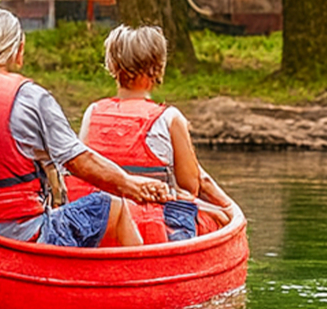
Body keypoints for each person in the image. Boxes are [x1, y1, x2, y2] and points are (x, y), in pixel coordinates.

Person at [0, 8, 179, 247]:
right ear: (19, 52)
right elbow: (80, 162)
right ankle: (135, 288)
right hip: (22, 239)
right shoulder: (32, 98)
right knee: (113, 206)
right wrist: (131, 186)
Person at [68, 25, 237, 242]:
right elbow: (192, 186)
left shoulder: (93, 112)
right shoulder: (170, 118)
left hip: (101, 222)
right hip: (153, 228)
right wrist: (229, 210)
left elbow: (84, 172)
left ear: (112, 65)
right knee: (214, 218)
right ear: (158, 68)